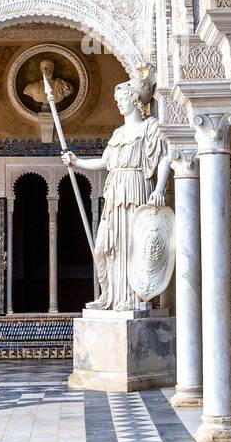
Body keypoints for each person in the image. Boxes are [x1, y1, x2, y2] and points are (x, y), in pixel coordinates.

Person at [62, 78, 170, 311]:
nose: (118, 104)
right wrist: (77, 161)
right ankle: (109, 295)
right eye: (116, 101)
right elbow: (104, 162)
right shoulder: (118, 133)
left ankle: (131, 298)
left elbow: (164, 158)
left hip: (136, 186)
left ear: (133, 100)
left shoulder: (150, 127)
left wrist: (160, 189)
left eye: (121, 99)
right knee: (105, 247)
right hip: (115, 190)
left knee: (131, 244)